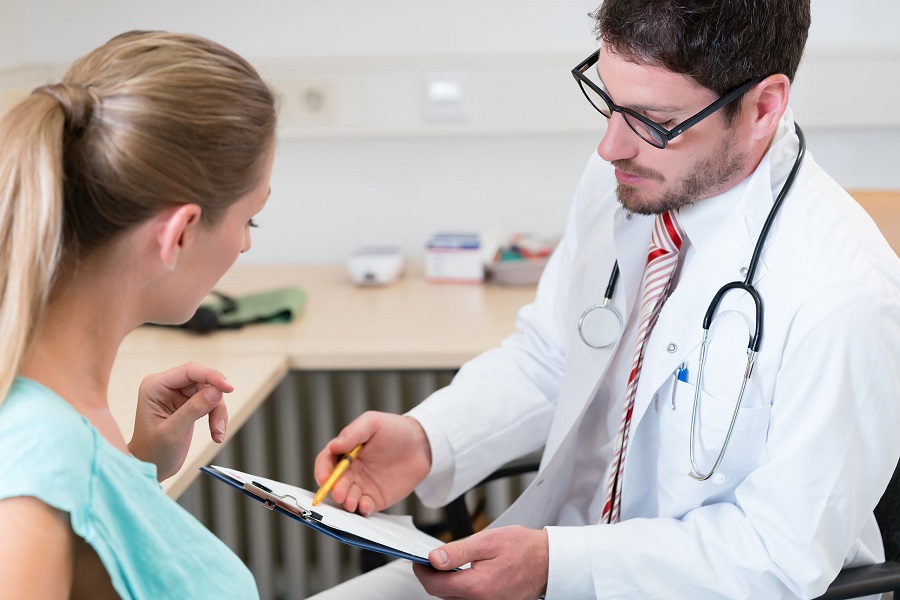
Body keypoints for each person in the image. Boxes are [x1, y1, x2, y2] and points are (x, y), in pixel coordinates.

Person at [310, 1, 900, 598]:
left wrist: (557, 565)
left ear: (763, 107)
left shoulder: (843, 296)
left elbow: (781, 554)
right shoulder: (628, 180)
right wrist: (431, 438)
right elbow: (552, 356)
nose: (610, 146)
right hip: (567, 554)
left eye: (653, 120)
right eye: (610, 102)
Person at [0, 31, 276, 598]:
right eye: (249, 219)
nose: (246, 244)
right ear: (179, 234)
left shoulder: (65, 413)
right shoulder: (39, 459)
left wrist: (135, 466)